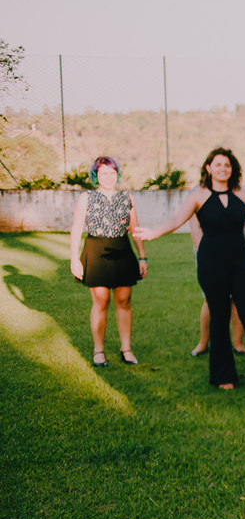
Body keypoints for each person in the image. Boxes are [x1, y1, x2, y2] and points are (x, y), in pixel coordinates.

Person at [133, 147, 245, 389]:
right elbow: (176, 221)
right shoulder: (198, 196)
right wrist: (153, 232)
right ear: (209, 168)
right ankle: (223, 376)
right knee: (219, 318)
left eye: (227, 165)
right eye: (218, 164)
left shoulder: (242, 195)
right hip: (211, 262)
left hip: (240, 261)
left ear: (233, 169)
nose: (223, 168)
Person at [68, 156, 147, 366]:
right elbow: (76, 228)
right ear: (96, 175)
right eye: (104, 173)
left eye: (112, 173)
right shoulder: (86, 197)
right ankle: (98, 351)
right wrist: (74, 258)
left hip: (122, 251)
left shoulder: (127, 197)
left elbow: (135, 228)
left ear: (117, 175)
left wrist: (142, 256)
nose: (109, 177)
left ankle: (126, 349)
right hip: (96, 252)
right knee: (101, 302)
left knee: (124, 301)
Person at [188, 213, 245, 357]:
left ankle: (239, 344)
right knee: (211, 298)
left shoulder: (237, 192)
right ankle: (203, 343)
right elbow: (195, 227)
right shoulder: (198, 194)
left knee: (238, 296)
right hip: (208, 249)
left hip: (238, 247)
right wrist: (205, 254)